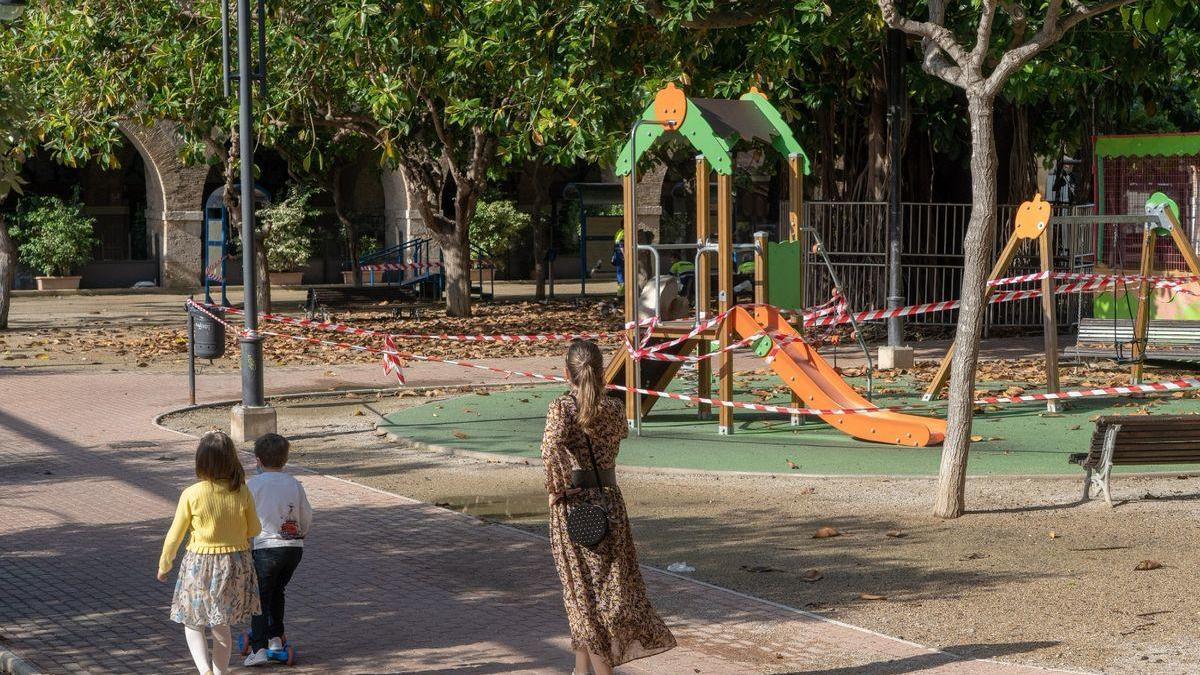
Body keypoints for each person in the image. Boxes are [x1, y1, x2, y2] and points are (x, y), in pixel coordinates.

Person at [541, 340, 676, 674]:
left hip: (575, 510)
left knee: (584, 596)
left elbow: (549, 449)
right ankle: (580, 669)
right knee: (606, 590)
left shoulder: (562, 408)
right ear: (602, 372)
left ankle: (603, 673)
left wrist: (557, 489)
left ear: (565, 372)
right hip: (610, 504)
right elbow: (619, 436)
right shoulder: (615, 408)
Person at [158, 431, 261, 675]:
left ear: (200, 462)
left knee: (192, 620)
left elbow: (175, 535)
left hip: (199, 564)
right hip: (234, 563)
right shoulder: (242, 491)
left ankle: (204, 670)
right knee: (221, 623)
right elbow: (255, 528)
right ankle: (220, 671)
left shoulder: (192, 494)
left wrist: (165, 564)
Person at [243, 433, 312, 666]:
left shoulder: (253, 485)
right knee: (277, 590)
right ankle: (275, 637)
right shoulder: (294, 483)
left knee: (260, 598)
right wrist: (302, 532)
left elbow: (245, 515)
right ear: (285, 459)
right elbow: (306, 514)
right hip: (292, 548)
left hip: (266, 547)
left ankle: (259, 647)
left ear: (258, 460)